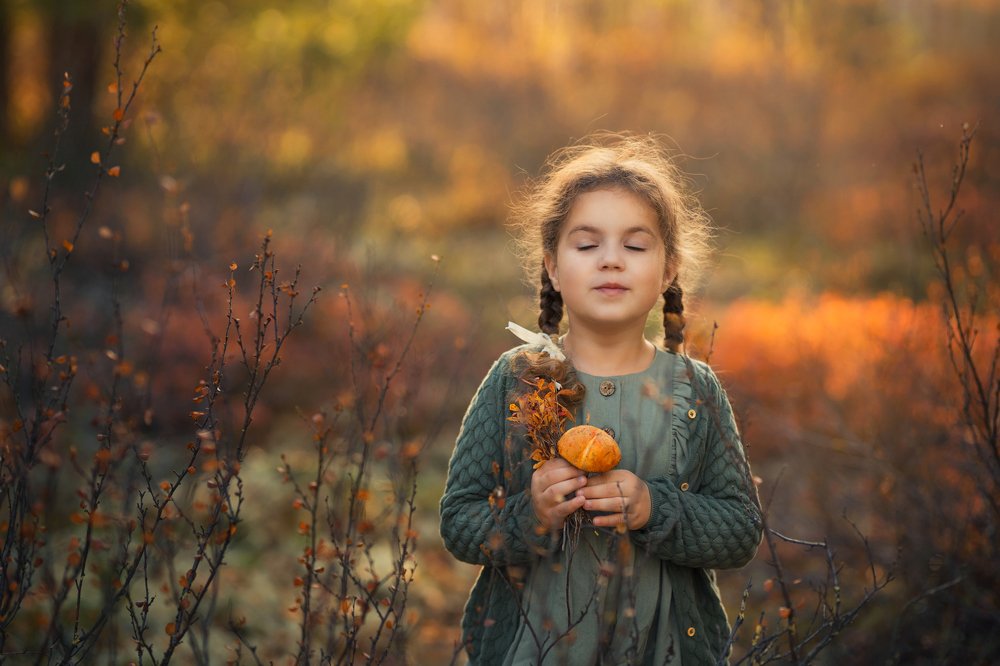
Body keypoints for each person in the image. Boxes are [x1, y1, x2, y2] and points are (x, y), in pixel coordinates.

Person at [440, 133, 762, 665]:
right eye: (587, 245)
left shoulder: (695, 390)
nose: (611, 260)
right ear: (552, 265)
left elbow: (741, 531)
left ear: (668, 269)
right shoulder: (517, 380)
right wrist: (530, 514)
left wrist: (654, 507)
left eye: (635, 246)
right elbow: (459, 521)